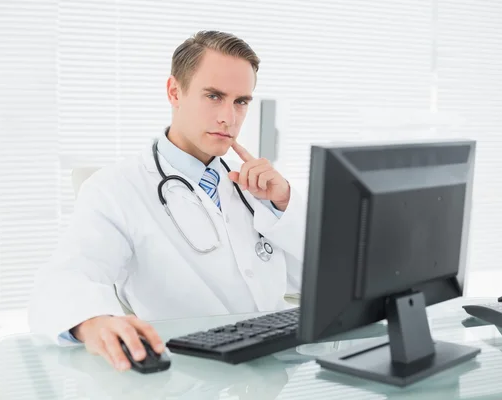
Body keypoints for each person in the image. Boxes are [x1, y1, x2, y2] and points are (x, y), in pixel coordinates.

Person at [28, 30, 306, 372]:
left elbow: (321, 278)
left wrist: (284, 205)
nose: (229, 118)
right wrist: (93, 321)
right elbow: (66, 277)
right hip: (189, 374)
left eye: (241, 101)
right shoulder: (115, 188)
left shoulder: (256, 186)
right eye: (214, 96)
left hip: (279, 366)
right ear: (175, 91)